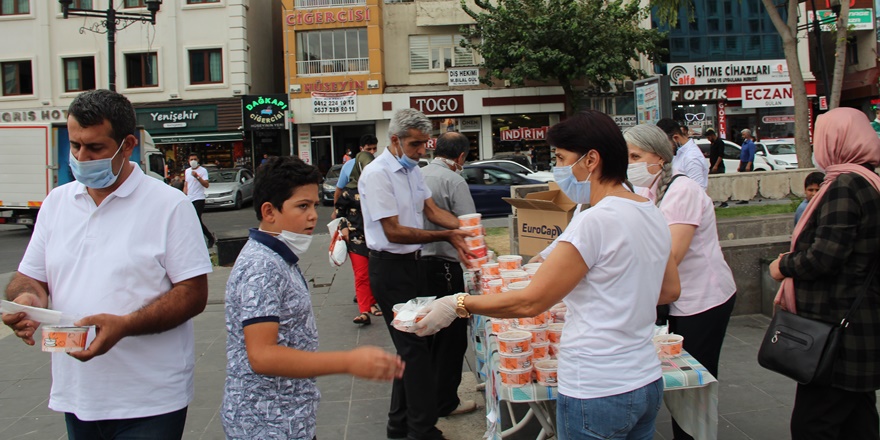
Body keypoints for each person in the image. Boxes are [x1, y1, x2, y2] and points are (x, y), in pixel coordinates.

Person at [416, 110, 681, 440]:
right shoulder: (649, 211)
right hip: (646, 382)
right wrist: (615, 294)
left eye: (560, 157)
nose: (557, 168)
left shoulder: (594, 220)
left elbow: (531, 301)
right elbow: (669, 289)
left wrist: (458, 303)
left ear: (591, 160)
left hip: (597, 387)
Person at [1, 89, 213, 439]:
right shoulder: (57, 203)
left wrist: (125, 325)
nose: (82, 157)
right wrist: (28, 301)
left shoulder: (169, 206)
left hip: (150, 399)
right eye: (75, 146)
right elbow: (30, 278)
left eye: (95, 148)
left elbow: (193, 294)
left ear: (127, 145)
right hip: (77, 393)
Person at [222, 156, 404, 440]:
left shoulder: (278, 257)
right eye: (302, 206)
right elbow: (262, 355)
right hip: (265, 424)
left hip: (289, 419)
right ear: (269, 211)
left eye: (314, 205)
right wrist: (347, 362)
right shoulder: (262, 267)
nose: (313, 216)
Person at [358, 108, 474, 440]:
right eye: (415, 144)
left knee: (412, 348)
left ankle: (399, 428)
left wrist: (469, 229)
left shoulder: (413, 171)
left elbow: (433, 211)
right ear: (395, 140)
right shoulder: (378, 174)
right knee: (416, 351)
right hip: (389, 269)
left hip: (414, 265)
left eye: (425, 143)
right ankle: (422, 431)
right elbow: (394, 232)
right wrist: (447, 236)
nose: (422, 150)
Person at [768, 107, 880, 440]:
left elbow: (824, 257)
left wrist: (783, 265)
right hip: (859, 322)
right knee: (858, 419)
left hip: (838, 329)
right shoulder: (869, 180)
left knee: (813, 424)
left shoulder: (846, 185)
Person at [624, 124, 737, 440]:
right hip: (673, 299)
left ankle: (694, 434)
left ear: (660, 157)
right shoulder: (649, 189)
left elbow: (670, 256)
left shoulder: (682, 190)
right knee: (676, 384)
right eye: (626, 156)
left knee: (693, 385)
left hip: (703, 300)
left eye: (636, 155)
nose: (629, 163)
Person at [419, 131, 479, 417]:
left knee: (426, 333)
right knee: (452, 336)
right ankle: (445, 401)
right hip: (443, 266)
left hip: (416, 264)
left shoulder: (418, 175)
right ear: (461, 156)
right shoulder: (454, 180)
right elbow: (468, 228)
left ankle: (428, 397)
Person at [334, 134, 381, 325]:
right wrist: (343, 227)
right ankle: (364, 311)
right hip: (355, 238)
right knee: (361, 274)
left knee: (375, 273)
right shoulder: (349, 191)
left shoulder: (378, 187)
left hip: (377, 238)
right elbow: (339, 210)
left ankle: (372, 303)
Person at [656, 118, 709, 190]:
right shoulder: (680, 154)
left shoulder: (692, 158)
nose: (664, 147)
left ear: (676, 138)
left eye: (666, 143)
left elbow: (698, 190)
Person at [334, 135, 379, 205]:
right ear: (361, 149)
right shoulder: (348, 165)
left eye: (374, 148)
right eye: (369, 149)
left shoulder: (379, 164)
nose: (372, 152)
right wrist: (335, 210)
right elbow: (339, 189)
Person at [184, 152, 216, 248]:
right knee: (191, 220)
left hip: (199, 198)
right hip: (190, 198)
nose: (193, 161)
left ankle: (209, 238)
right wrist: (184, 195)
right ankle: (198, 239)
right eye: (191, 159)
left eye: (195, 159)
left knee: (196, 219)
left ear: (198, 160)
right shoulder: (187, 171)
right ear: (188, 161)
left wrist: (197, 176)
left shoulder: (202, 171)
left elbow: (206, 184)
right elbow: (186, 184)